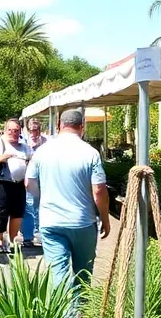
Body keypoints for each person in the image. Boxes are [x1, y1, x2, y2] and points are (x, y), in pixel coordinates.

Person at [25, 109, 109, 288]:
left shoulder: (42, 151)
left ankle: (63, 316)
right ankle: (79, 315)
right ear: (82, 127)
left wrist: (43, 196)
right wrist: (105, 218)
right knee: (83, 276)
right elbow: (99, 190)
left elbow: (28, 183)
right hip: (82, 222)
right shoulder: (90, 153)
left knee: (58, 275)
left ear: (59, 126)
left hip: (50, 221)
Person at [0, 119, 31, 254]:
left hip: (19, 184)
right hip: (2, 183)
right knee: (1, 212)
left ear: (20, 132)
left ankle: (11, 240)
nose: (13, 133)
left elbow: (32, 160)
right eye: (10, 130)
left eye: (16, 131)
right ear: (5, 130)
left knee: (18, 213)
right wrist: (3, 157)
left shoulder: (24, 146)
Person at [22, 117, 49, 246]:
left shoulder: (46, 142)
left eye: (37, 129)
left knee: (41, 205)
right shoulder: (24, 142)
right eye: (32, 129)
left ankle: (39, 232)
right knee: (28, 205)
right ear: (28, 130)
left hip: (42, 177)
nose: (34, 132)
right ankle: (28, 235)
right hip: (27, 176)